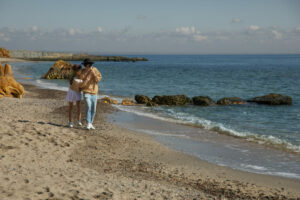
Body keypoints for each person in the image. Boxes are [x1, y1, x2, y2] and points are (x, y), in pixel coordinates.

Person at [80, 58, 102, 130]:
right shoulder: (82, 72)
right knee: (88, 107)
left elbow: (98, 80)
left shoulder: (95, 70)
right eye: (87, 65)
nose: (88, 67)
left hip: (94, 92)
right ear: (85, 65)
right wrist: (87, 78)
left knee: (94, 109)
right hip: (86, 92)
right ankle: (88, 122)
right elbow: (82, 84)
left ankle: (91, 123)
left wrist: (94, 74)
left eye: (89, 66)